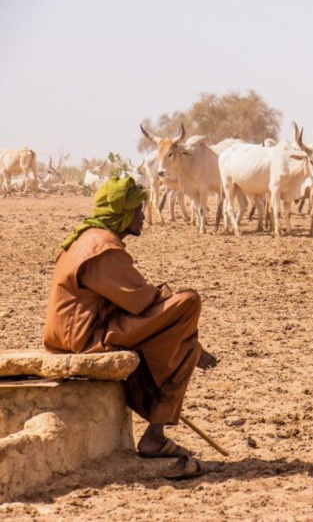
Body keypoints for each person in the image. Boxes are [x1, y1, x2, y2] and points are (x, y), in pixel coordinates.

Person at [43, 174, 217, 460]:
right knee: (188, 303)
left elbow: (129, 299)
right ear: (124, 214)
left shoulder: (88, 239)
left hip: (81, 331)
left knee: (186, 345)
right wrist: (174, 315)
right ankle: (155, 437)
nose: (142, 217)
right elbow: (140, 300)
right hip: (85, 337)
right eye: (137, 210)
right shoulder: (103, 250)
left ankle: (157, 433)